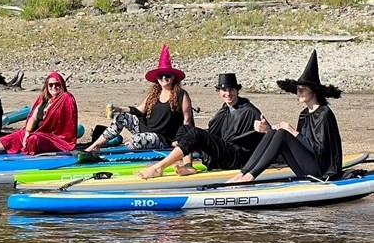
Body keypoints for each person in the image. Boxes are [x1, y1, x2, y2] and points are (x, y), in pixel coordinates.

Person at [228, 49, 343, 183]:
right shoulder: (304, 114)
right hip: (304, 168)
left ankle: (250, 176)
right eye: (297, 89)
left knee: (284, 133)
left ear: (314, 92)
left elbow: (317, 149)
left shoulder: (324, 114)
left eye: (303, 89)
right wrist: (268, 131)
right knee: (276, 132)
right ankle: (243, 173)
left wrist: (291, 130)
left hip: (321, 170)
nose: (298, 92)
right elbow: (299, 144)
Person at [139, 73, 263, 179]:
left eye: (231, 90)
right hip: (222, 151)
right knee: (185, 129)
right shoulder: (224, 110)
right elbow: (214, 132)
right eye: (224, 90)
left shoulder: (248, 110)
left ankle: (159, 167)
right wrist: (191, 139)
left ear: (237, 91)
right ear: (219, 92)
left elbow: (265, 135)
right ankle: (188, 165)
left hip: (236, 157)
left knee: (195, 134)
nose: (228, 93)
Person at [85, 44, 194, 155]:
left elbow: (187, 119)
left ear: (173, 77)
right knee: (122, 117)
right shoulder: (154, 94)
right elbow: (139, 110)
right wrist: (120, 109)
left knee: (136, 140)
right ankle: (95, 145)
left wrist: (181, 141)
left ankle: (136, 145)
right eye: (160, 76)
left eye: (167, 75)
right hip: (147, 128)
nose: (164, 78)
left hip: (164, 137)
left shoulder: (181, 94)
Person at [0, 72, 78, 156]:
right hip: (39, 131)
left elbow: (68, 122)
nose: (54, 87)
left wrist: (33, 134)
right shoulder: (44, 99)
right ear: (46, 86)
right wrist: (27, 133)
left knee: (34, 139)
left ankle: (28, 153)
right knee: (17, 135)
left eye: (57, 84)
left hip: (55, 137)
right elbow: (33, 118)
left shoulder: (66, 98)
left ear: (62, 85)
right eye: (51, 84)